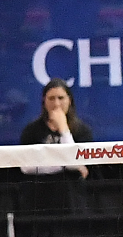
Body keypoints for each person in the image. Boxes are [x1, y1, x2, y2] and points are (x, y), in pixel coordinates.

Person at [18, 77, 93, 214]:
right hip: (39, 201)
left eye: (61, 98)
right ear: (44, 101)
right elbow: (26, 167)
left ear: (69, 100)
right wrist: (63, 165)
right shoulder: (32, 131)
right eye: (51, 98)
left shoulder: (82, 131)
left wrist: (63, 129)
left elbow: (76, 161)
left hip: (72, 203)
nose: (56, 103)